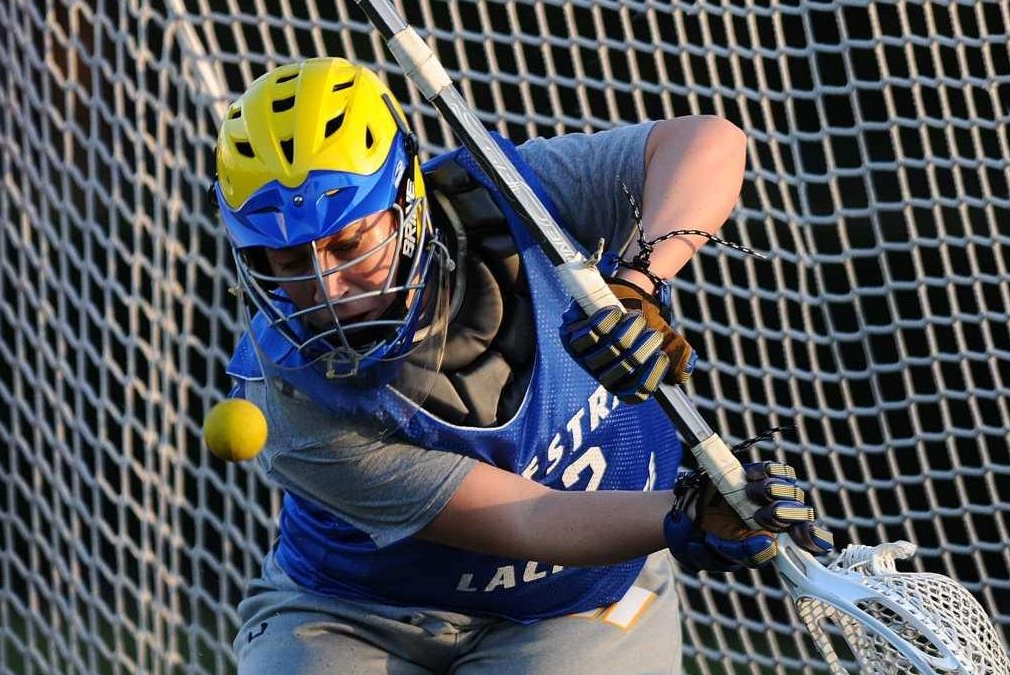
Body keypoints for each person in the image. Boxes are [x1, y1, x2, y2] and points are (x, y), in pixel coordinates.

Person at [214, 57, 831, 675]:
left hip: (579, 600)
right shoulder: (286, 397)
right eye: (289, 262)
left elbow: (711, 143)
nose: (329, 288)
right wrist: (684, 514)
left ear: (406, 201)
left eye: (349, 243)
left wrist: (638, 285)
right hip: (354, 613)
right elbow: (529, 516)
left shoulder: (513, 197)